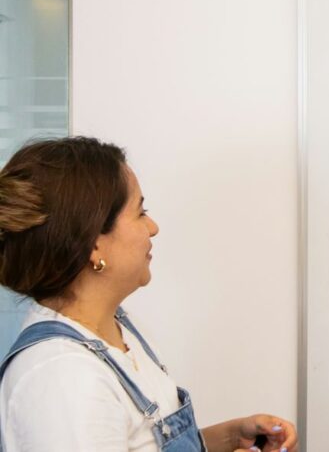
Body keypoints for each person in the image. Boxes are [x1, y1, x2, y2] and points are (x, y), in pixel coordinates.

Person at [0, 137, 298, 452]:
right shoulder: (64, 380)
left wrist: (228, 438)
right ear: (94, 244)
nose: (152, 227)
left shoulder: (116, 330)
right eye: (140, 212)